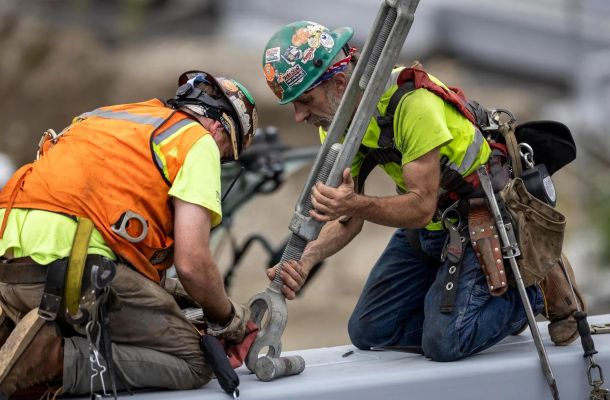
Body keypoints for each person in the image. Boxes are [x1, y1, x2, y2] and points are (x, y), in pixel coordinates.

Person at [262, 21, 585, 361]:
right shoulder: (337, 124)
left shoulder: (413, 104)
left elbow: (419, 207)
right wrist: (308, 259)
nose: (298, 116)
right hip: (430, 228)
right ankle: (469, 311)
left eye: (305, 100)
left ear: (340, 82)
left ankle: (533, 286)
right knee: (369, 331)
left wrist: (355, 203)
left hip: (480, 218)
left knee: (446, 343)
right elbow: (348, 220)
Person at [0, 70, 258, 397]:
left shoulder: (110, 118)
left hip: (10, 272)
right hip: (70, 269)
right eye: (225, 156)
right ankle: (52, 359)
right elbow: (192, 263)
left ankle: (23, 345)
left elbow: (104, 222)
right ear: (220, 129)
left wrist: (176, 292)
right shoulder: (198, 141)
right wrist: (228, 317)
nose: (218, 162)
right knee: (194, 360)